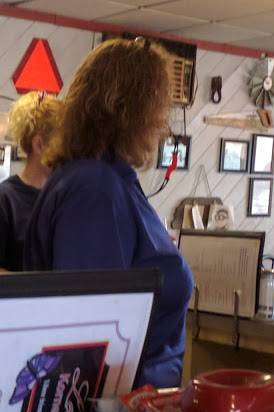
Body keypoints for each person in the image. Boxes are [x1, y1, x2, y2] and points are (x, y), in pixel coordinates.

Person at [25, 38, 193, 389]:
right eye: (159, 107)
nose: (163, 123)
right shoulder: (94, 188)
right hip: (121, 405)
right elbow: (89, 338)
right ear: (129, 111)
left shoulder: (102, 179)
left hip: (137, 396)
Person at [0, 92, 63, 272]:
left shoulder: (64, 199)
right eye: (62, 145)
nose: (68, 153)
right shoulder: (0, 202)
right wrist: (25, 285)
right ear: (39, 145)